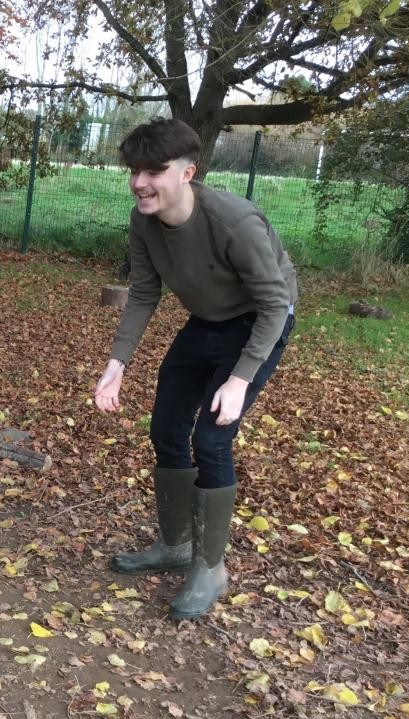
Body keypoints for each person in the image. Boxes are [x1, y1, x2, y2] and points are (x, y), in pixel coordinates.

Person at [93, 118, 296, 621]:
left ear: (187, 172)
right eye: (134, 170)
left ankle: (210, 568)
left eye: (154, 170)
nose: (140, 182)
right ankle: (176, 545)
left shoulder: (233, 222)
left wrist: (239, 378)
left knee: (211, 438)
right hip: (205, 321)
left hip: (258, 324)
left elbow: (275, 305)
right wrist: (117, 364)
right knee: (165, 427)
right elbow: (144, 292)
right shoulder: (143, 221)